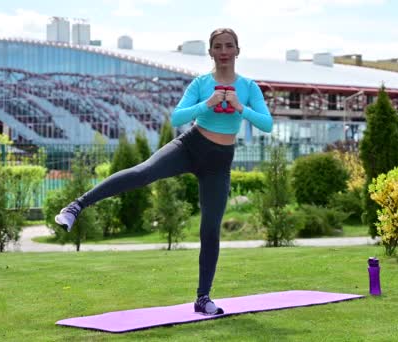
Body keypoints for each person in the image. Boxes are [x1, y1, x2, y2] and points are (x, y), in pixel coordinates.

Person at [55, 27, 273, 315]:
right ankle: (76, 206)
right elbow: (177, 117)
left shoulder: (248, 87)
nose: (223, 51)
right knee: (143, 172)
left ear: (237, 51)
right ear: (210, 52)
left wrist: (240, 107)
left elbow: (266, 124)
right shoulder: (200, 83)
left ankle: (202, 298)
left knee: (210, 229)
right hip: (190, 146)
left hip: (219, 162)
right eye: (218, 46)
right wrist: (206, 104)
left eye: (228, 46)